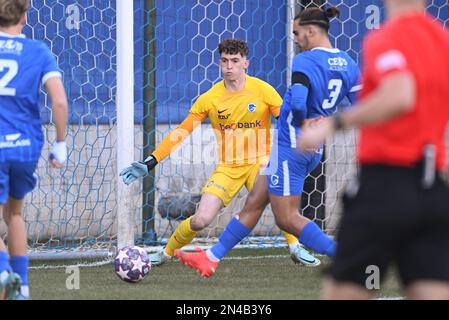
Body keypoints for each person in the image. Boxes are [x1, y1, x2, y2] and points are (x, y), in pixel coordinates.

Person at [174, 6, 361, 277]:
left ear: (311, 31)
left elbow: (297, 101)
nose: (294, 38)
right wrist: (328, 122)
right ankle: (211, 257)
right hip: (306, 148)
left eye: (297, 32)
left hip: (291, 149)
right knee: (255, 201)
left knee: (287, 218)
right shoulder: (348, 62)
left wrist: (302, 122)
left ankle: (346, 257)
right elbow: (362, 106)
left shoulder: (305, 61)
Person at [119, 39, 319, 267]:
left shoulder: (263, 90)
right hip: (229, 167)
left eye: (235, 61)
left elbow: (287, 121)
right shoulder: (210, 98)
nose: (229, 66)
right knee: (200, 220)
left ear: (246, 63)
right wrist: (151, 160)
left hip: (261, 163)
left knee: (278, 200)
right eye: (224, 61)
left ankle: (294, 247)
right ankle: (165, 253)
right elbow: (181, 132)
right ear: (219, 64)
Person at [298, 0, 449, 300]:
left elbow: (400, 94)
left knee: (350, 291)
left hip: (384, 187)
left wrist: (333, 123)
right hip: (431, 188)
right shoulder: (441, 39)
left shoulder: (387, 36)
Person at [0, 0, 68, 300]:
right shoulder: (38, 51)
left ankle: (4, 274)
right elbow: (60, 102)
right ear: (25, 17)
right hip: (26, 146)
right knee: (14, 214)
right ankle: (23, 288)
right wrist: (61, 144)